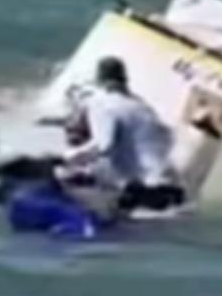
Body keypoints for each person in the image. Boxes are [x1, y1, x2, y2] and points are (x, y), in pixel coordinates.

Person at [60, 57, 185, 213]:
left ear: (100, 80)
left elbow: (104, 145)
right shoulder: (142, 105)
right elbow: (166, 137)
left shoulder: (100, 103)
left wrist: (65, 158)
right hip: (175, 191)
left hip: (143, 195)